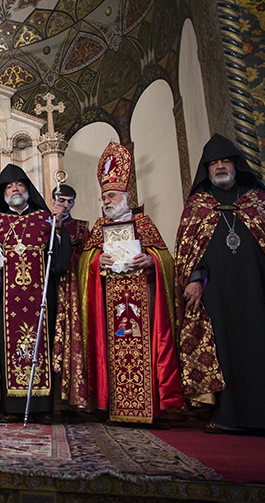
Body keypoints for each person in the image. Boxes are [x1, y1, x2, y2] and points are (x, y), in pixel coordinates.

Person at [175, 133, 265, 434]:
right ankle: (226, 417)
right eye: (214, 163)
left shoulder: (258, 201)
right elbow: (191, 250)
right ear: (206, 170)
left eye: (225, 161)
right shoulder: (198, 205)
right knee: (221, 350)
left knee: (262, 347)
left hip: (257, 291)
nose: (220, 167)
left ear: (235, 165)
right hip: (216, 291)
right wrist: (193, 280)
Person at [77, 141, 183, 426]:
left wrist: (152, 262)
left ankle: (153, 409)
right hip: (108, 307)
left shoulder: (144, 224)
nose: (107, 202)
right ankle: (114, 407)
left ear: (128, 195)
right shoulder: (98, 229)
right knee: (112, 353)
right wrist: (100, 263)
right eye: (104, 198)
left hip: (143, 305)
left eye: (112, 195)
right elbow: (85, 265)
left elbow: (166, 260)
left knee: (147, 351)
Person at [0, 165, 70, 422]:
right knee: (9, 350)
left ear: (27, 190)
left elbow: (59, 263)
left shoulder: (44, 219)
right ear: (3, 194)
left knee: (41, 349)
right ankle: (13, 408)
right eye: (10, 187)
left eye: (19, 185)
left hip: (41, 300)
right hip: (8, 303)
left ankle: (43, 408)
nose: (15, 189)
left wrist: (57, 230)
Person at [52, 184, 90, 412]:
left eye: (70, 202)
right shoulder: (43, 222)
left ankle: (74, 401)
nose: (66, 205)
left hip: (75, 289)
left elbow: (87, 255)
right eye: (62, 200)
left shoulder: (82, 227)